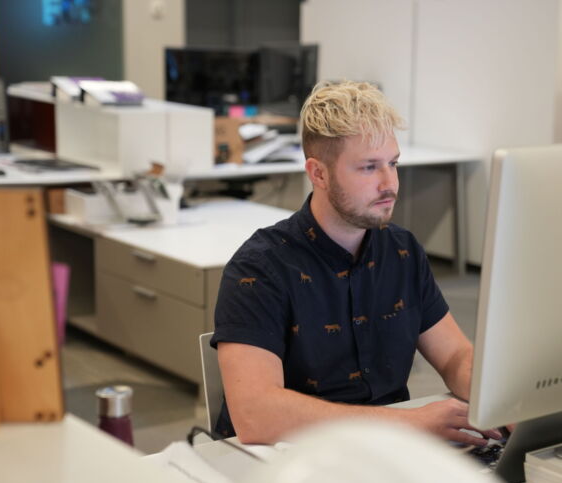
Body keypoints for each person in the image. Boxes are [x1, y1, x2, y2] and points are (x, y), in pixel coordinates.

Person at [211, 80, 500, 446]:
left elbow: (456, 355)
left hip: (386, 454)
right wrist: (405, 423)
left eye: (393, 164)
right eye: (368, 168)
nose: (389, 183)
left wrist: (500, 401)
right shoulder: (260, 269)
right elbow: (256, 414)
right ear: (318, 173)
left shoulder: (402, 252)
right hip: (291, 465)